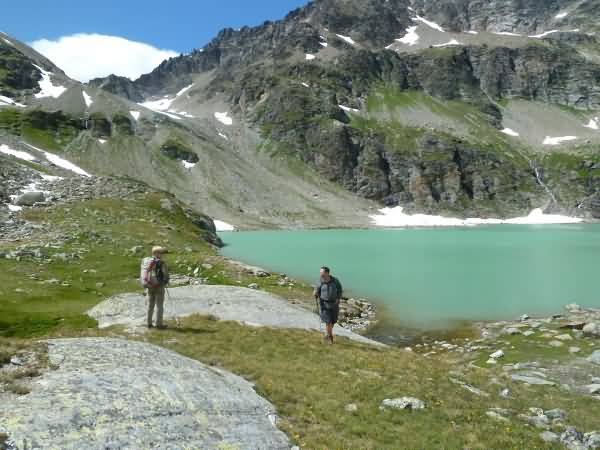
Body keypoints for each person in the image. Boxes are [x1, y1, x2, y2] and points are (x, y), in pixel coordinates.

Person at [142, 246, 170, 329]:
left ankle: (149, 323)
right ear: (156, 253)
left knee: (150, 305)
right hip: (159, 286)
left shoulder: (146, 261)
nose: (162, 254)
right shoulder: (161, 263)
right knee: (159, 305)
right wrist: (166, 281)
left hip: (149, 286)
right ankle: (159, 324)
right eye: (160, 253)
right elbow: (165, 275)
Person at [314, 266, 343, 344]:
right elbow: (316, 290)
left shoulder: (335, 281)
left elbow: (340, 290)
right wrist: (315, 293)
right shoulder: (320, 281)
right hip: (324, 304)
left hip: (334, 303)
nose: (320, 274)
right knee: (328, 321)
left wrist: (338, 299)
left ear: (327, 273)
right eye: (320, 273)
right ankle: (330, 337)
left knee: (333, 321)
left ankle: (327, 334)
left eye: (322, 273)